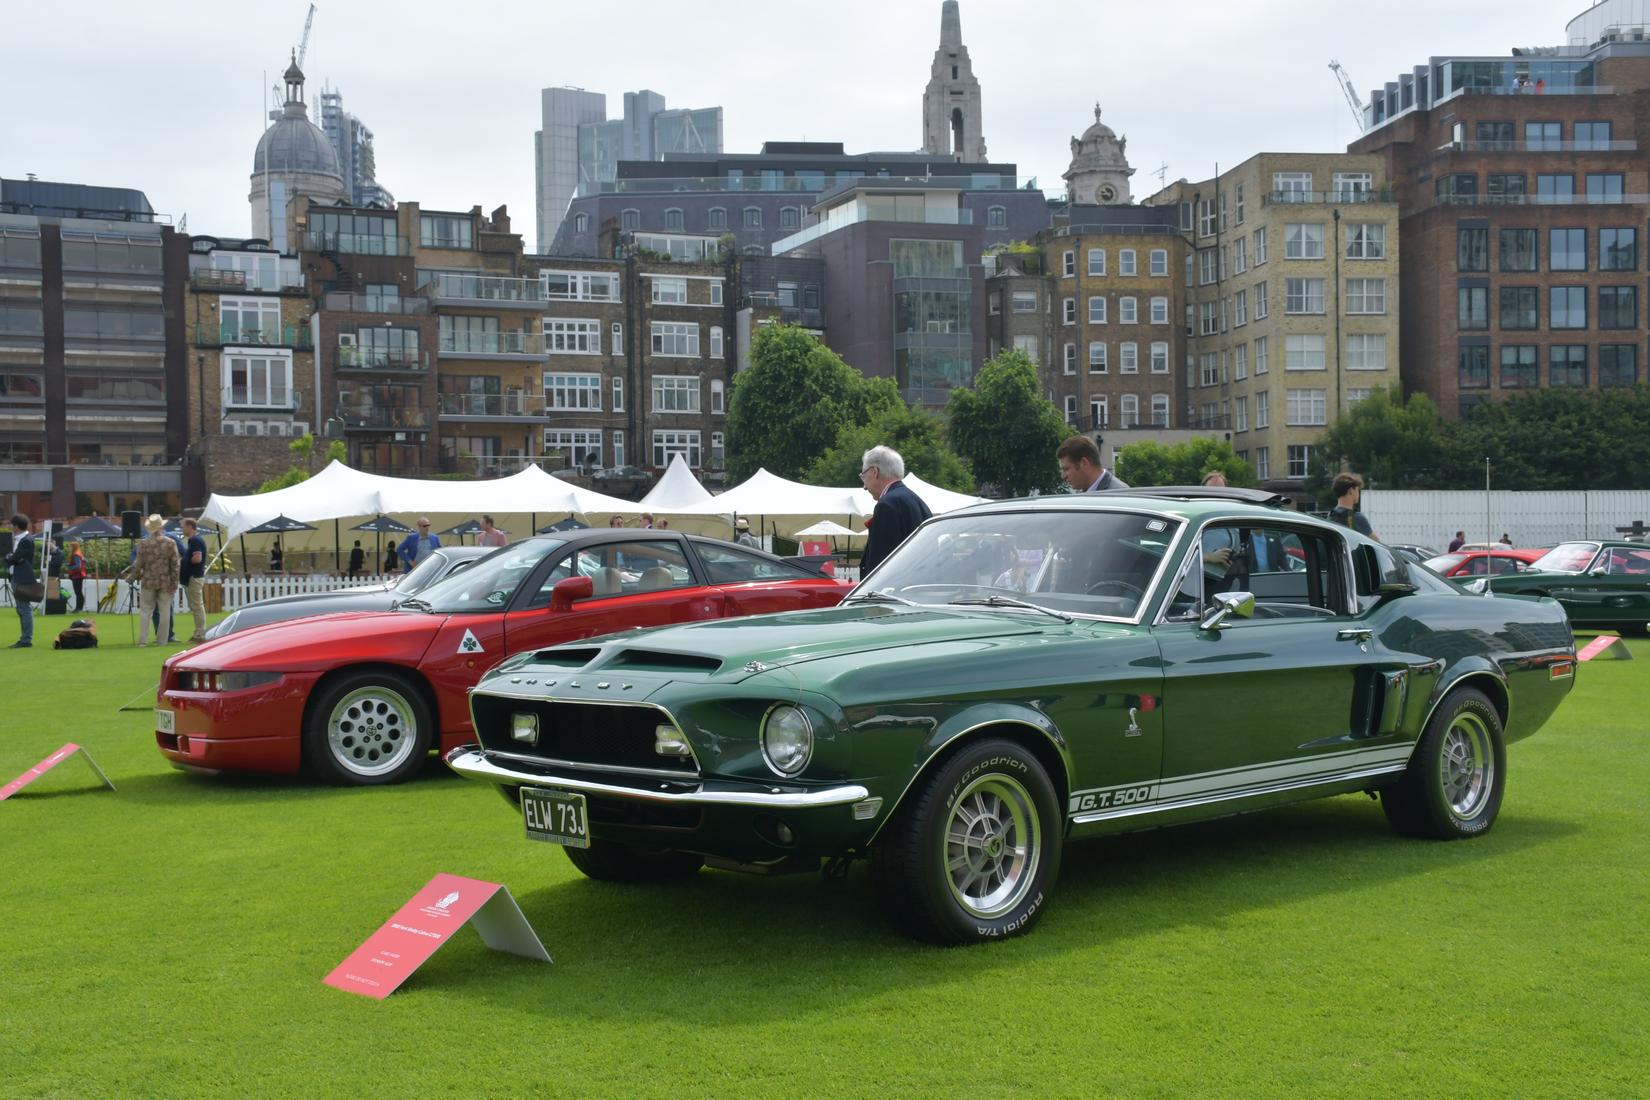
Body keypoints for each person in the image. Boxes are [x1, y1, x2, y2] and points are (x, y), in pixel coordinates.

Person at [859, 445, 932, 575]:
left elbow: (880, 564)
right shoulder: (918, 501)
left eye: (863, 476)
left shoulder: (887, 504)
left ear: (875, 471)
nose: (864, 486)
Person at [123, 514, 180, 648]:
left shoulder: (143, 544)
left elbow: (138, 565)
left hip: (148, 581)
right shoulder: (170, 543)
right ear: (161, 527)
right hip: (166, 582)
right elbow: (175, 565)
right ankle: (162, 641)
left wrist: (132, 578)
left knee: (145, 611)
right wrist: (175, 582)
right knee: (165, 611)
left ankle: (143, 641)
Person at [1056, 435, 1128, 492]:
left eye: (1066, 469)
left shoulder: (1119, 495)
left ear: (1084, 463)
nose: (1063, 476)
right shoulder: (1083, 492)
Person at [7, 514, 36, 648]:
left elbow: (16, 557)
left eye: (12, 524)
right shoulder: (22, 539)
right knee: (22, 608)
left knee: (24, 608)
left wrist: (10, 557)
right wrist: (12, 557)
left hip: (22, 577)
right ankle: (25, 638)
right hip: (17, 576)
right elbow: (15, 558)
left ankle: (26, 640)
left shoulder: (25, 540)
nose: (10, 526)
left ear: (16, 526)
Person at [180, 519, 208, 642]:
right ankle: (198, 632)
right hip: (193, 577)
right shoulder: (193, 541)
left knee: (197, 606)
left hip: (194, 577)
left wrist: (185, 561)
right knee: (196, 606)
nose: (182, 529)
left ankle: (200, 634)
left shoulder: (195, 540)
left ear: (190, 527)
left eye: (183, 527)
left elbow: (197, 558)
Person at [1327, 473, 1377, 539]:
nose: (1358, 493)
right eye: (1357, 490)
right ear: (1350, 491)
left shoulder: (1329, 517)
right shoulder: (1358, 518)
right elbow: (1377, 543)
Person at [66, 539, 87, 613]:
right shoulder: (79, 553)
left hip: (77, 575)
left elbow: (78, 566)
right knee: (79, 592)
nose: (69, 548)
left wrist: (69, 567)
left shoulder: (75, 554)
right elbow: (85, 561)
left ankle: (79, 608)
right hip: (79, 575)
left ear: (74, 547)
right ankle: (79, 608)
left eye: (70, 546)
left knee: (78, 592)